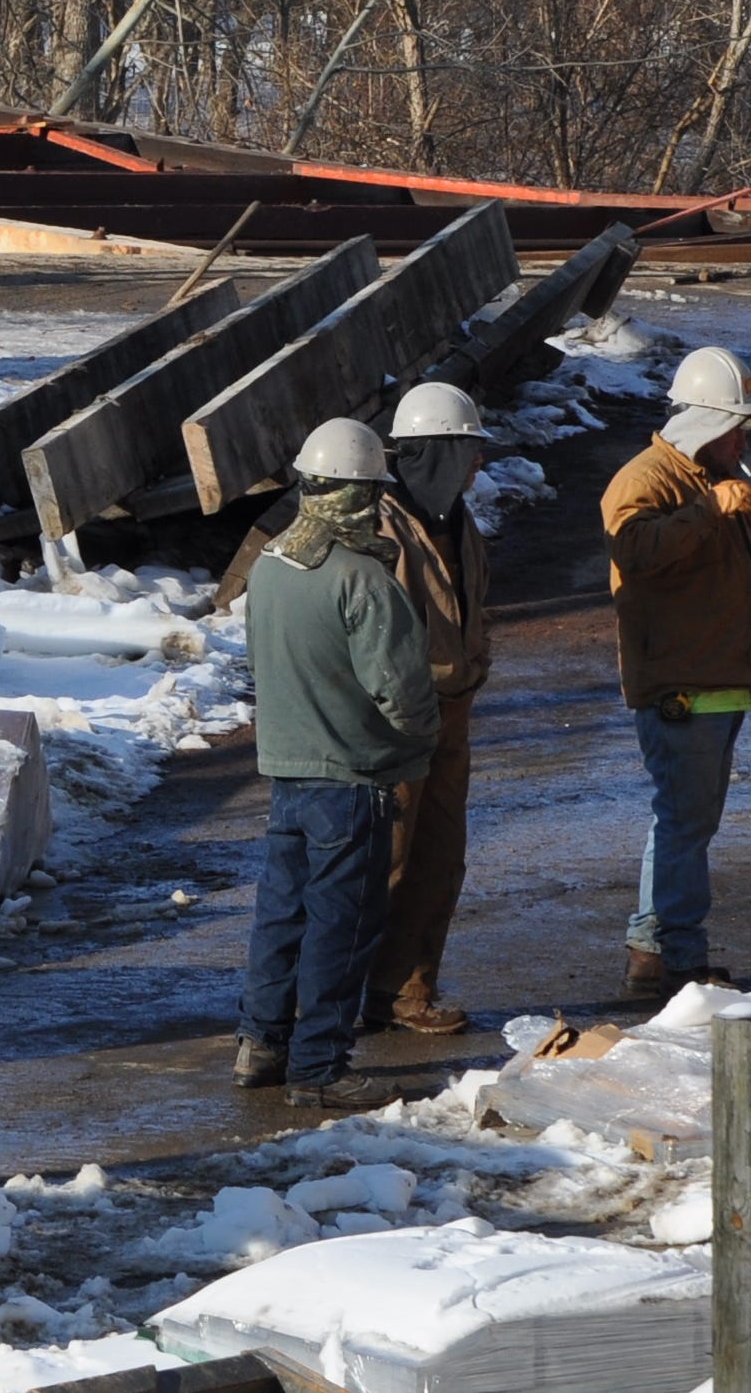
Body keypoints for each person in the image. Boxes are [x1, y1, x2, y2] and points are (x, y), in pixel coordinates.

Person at [220, 383, 496, 1034]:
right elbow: (356, 636)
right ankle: (323, 1004)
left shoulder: (457, 518)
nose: (478, 466)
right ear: (434, 454)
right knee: (375, 866)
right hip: (386, 723)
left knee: (437, 859)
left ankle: (403, 990)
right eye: (468, 452)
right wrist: (392, 715)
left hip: (446, 716)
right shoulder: (373, 527)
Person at [235, 417, 439, 1108]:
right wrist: (421, 744)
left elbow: (260, 662)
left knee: (282, 914)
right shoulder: (364, 580)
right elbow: (403, 693)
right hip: (353, 778)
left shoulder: (268, 568)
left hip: (288, 770)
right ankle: (319, 1067)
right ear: (364, 495)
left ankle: (261, 1044)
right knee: (342, 925)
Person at [605, 343, 751, 993]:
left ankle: (652, 949)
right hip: (683, 688)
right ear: (705, 424)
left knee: (684, 824)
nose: (744, 435)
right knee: (684, 827)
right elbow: (634, 551)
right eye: (736, 425)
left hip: (720, 681)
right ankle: (680, 963)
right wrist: (709, 511)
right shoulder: (647, 480)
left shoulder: (715, 477)